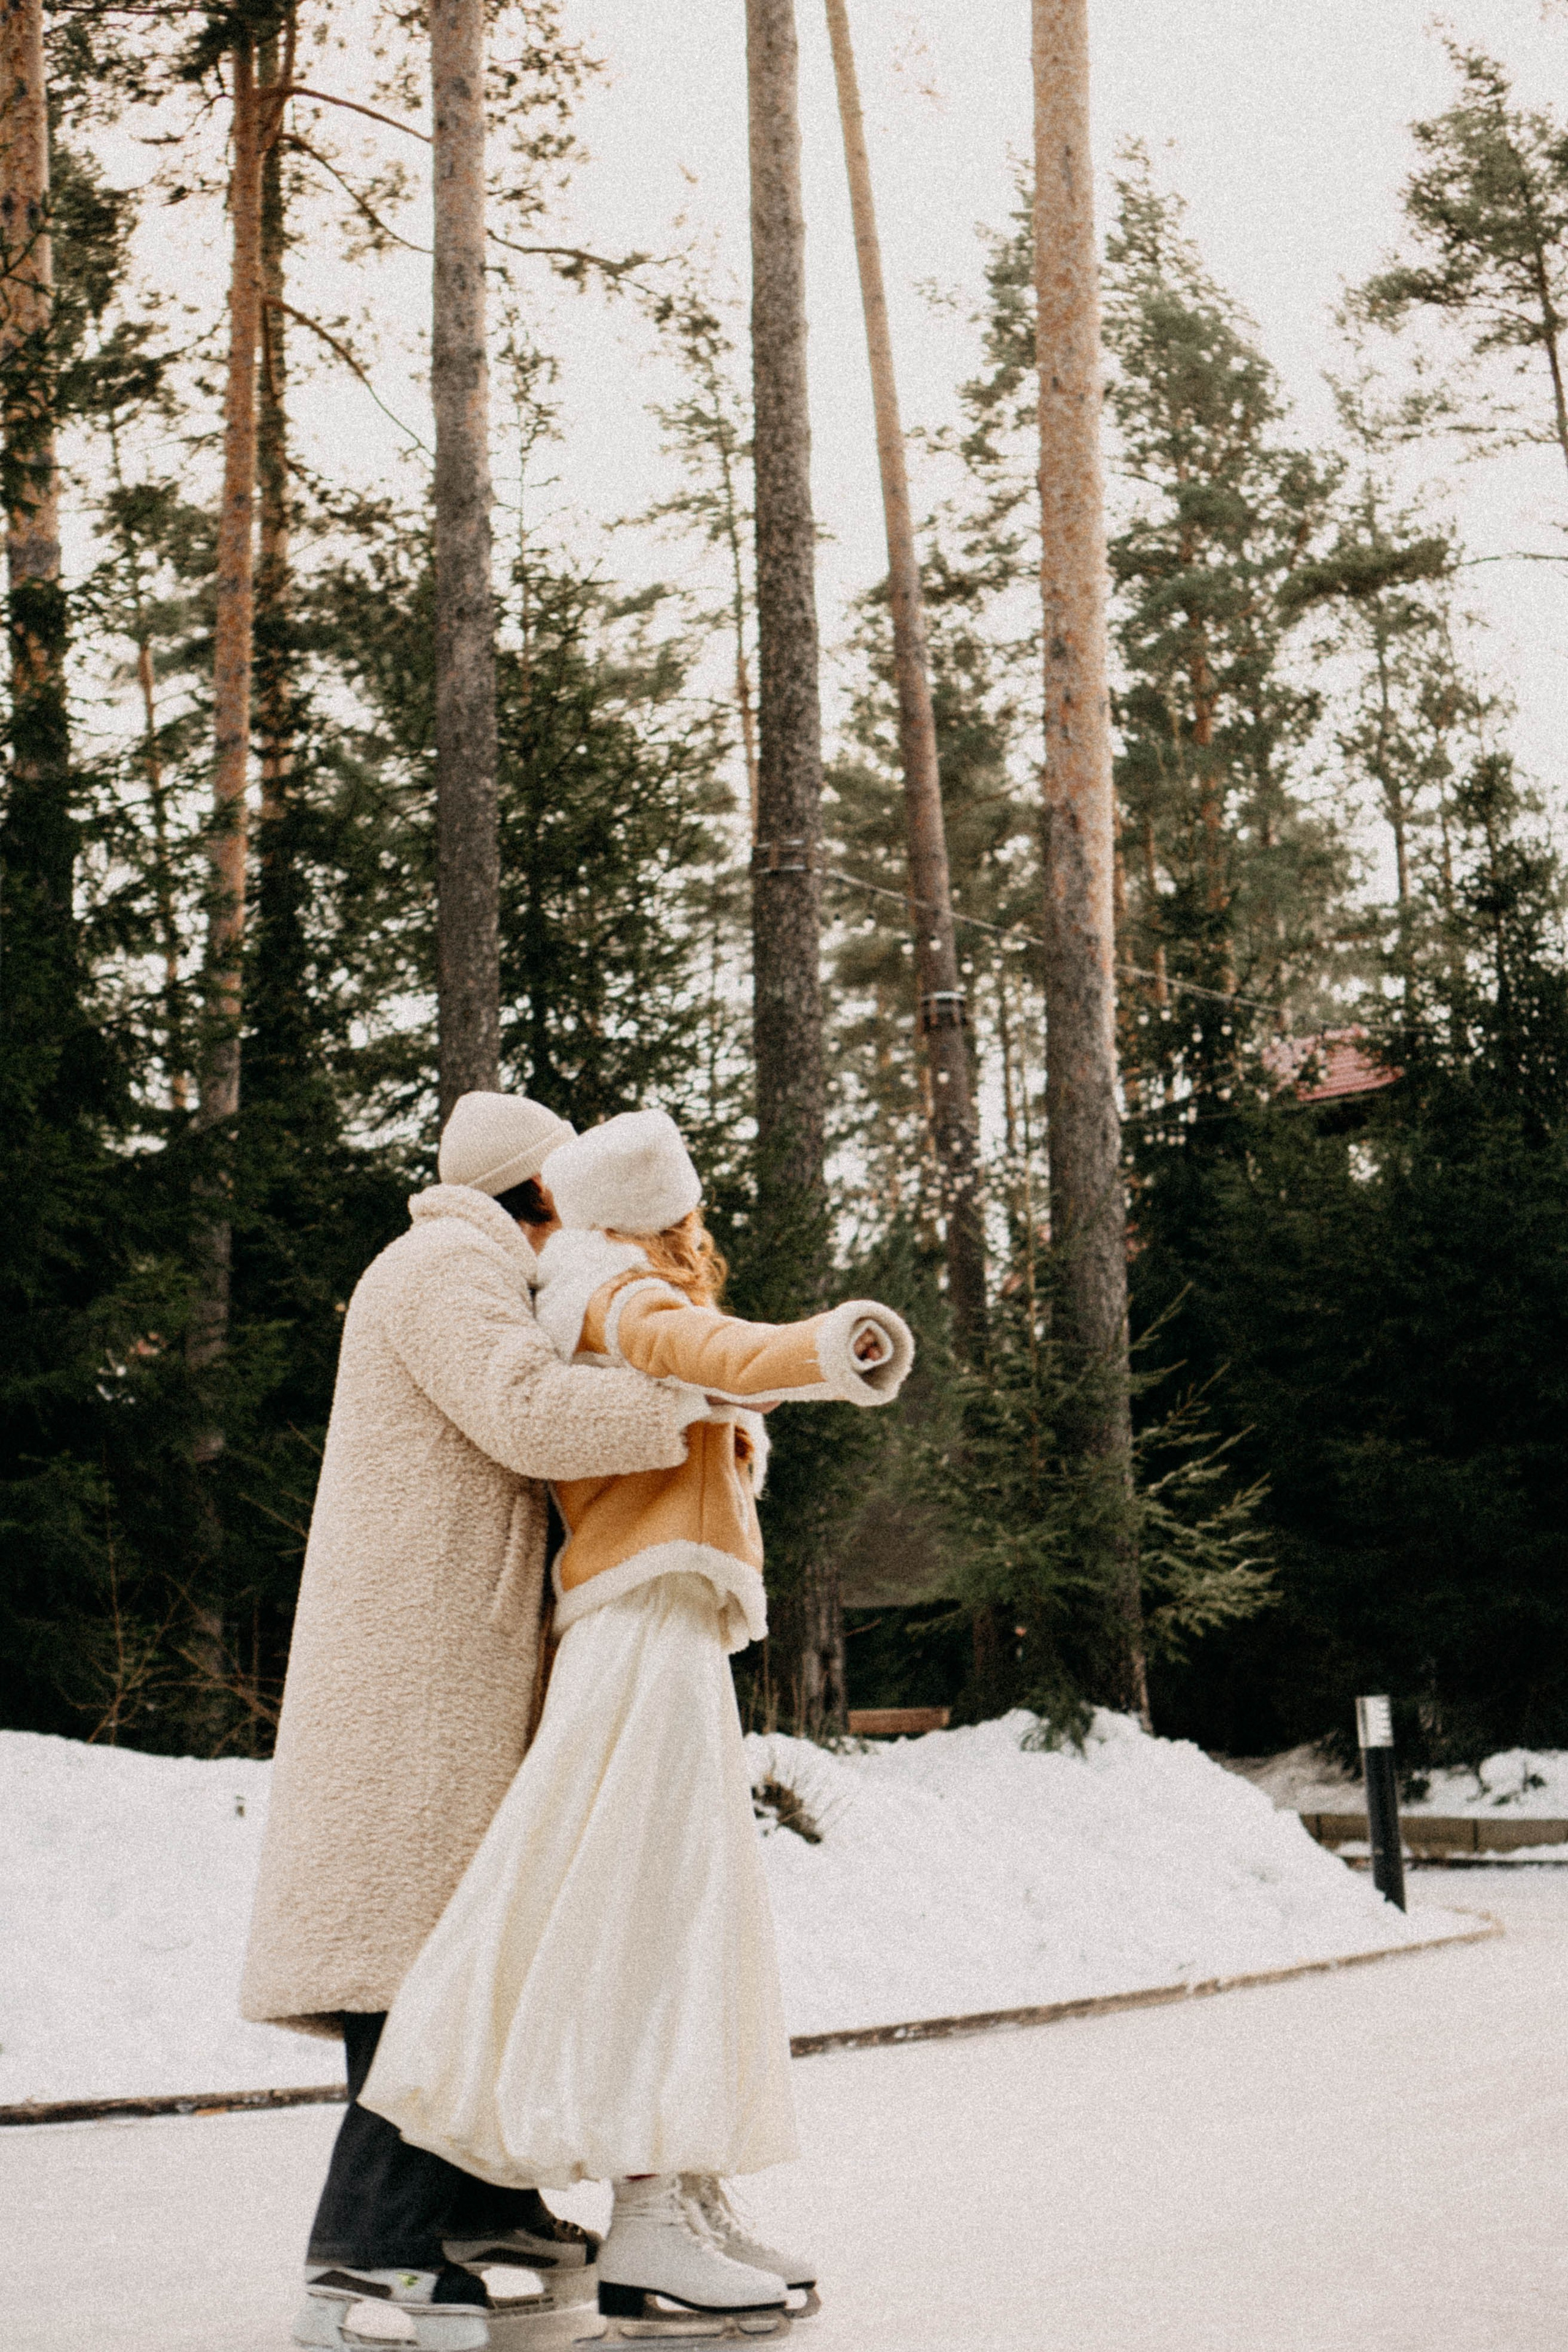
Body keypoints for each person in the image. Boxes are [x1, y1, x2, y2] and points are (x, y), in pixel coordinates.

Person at [360, 1109, 914, 2339]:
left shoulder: (613, 1281)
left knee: (681, 1906)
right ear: (637, 1213)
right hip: (634, 1631)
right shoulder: (610, 1287)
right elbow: (702, 1348)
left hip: (666, 1626)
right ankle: (650, 2223)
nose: (696, 1233)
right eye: (683, 1213)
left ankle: (683, 2199)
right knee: (644, 1907)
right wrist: (831, 1345)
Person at [239, 1093, 720, 2341]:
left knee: (470, 1934)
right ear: (543, 1195)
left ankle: (483, 2200)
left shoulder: (466, 1265)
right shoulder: (442, 1265)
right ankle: (364, 2256)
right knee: (416, 1959)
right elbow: (522, 1410)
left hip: (451, 1658)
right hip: (411, 1674)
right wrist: (693, 1403)